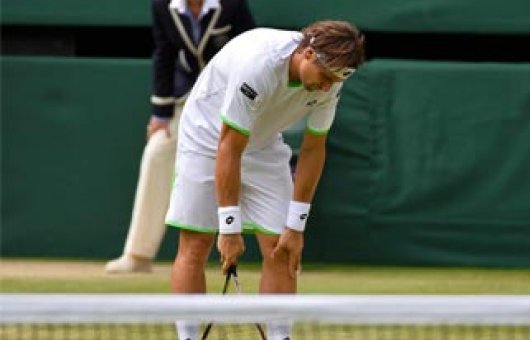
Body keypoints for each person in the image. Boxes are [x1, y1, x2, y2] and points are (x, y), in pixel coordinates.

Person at [165, 20, 365, 340]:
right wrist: (229, 228)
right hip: (207, 138)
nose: (328, 87)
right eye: (325, 78)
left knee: (282, 248)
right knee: (196, 242)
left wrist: (296, 227)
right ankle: (187, 337)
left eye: (335, 81)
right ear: (309, 54)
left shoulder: (333, 77)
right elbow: (229, 146)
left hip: (265, 142)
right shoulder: (259, 65)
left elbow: (314, 148)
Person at [106, 0, 255, 273]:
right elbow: (164, 54)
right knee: (156, 152)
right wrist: (160, 115)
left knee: (252, 163)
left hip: (231, 99)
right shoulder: (163, 6)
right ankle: (138, 255)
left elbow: (251, 52)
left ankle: (276, 250)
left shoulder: (233, 5)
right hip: (187, 98)